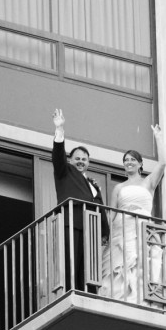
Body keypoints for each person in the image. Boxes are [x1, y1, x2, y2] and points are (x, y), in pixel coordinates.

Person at [100, 125, 166, 304]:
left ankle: (140, 298)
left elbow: (162, 164)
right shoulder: (119, 187)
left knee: (142, 263)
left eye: (132, 160)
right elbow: (111, 214)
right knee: (119, 266)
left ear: (140, 164)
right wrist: (106, 234)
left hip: (141, 229)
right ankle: (120, 297)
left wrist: (158, 138)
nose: (128, 162)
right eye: (126, 160)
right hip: (121, 230)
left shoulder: (148, 183)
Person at [52, 109, 109, 292]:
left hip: (90, 228)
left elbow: (100, 208)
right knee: (72, 261)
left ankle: (89, 293)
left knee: (88, 265)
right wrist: (59, 130)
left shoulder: (92, 183)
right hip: (72, 221)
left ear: (89, 163)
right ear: (70, 159)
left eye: (84, 159)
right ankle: (71, 291)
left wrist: (105, 232)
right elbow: (58, 157)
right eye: (77, 158)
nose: (81, 161)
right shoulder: (65, 171)